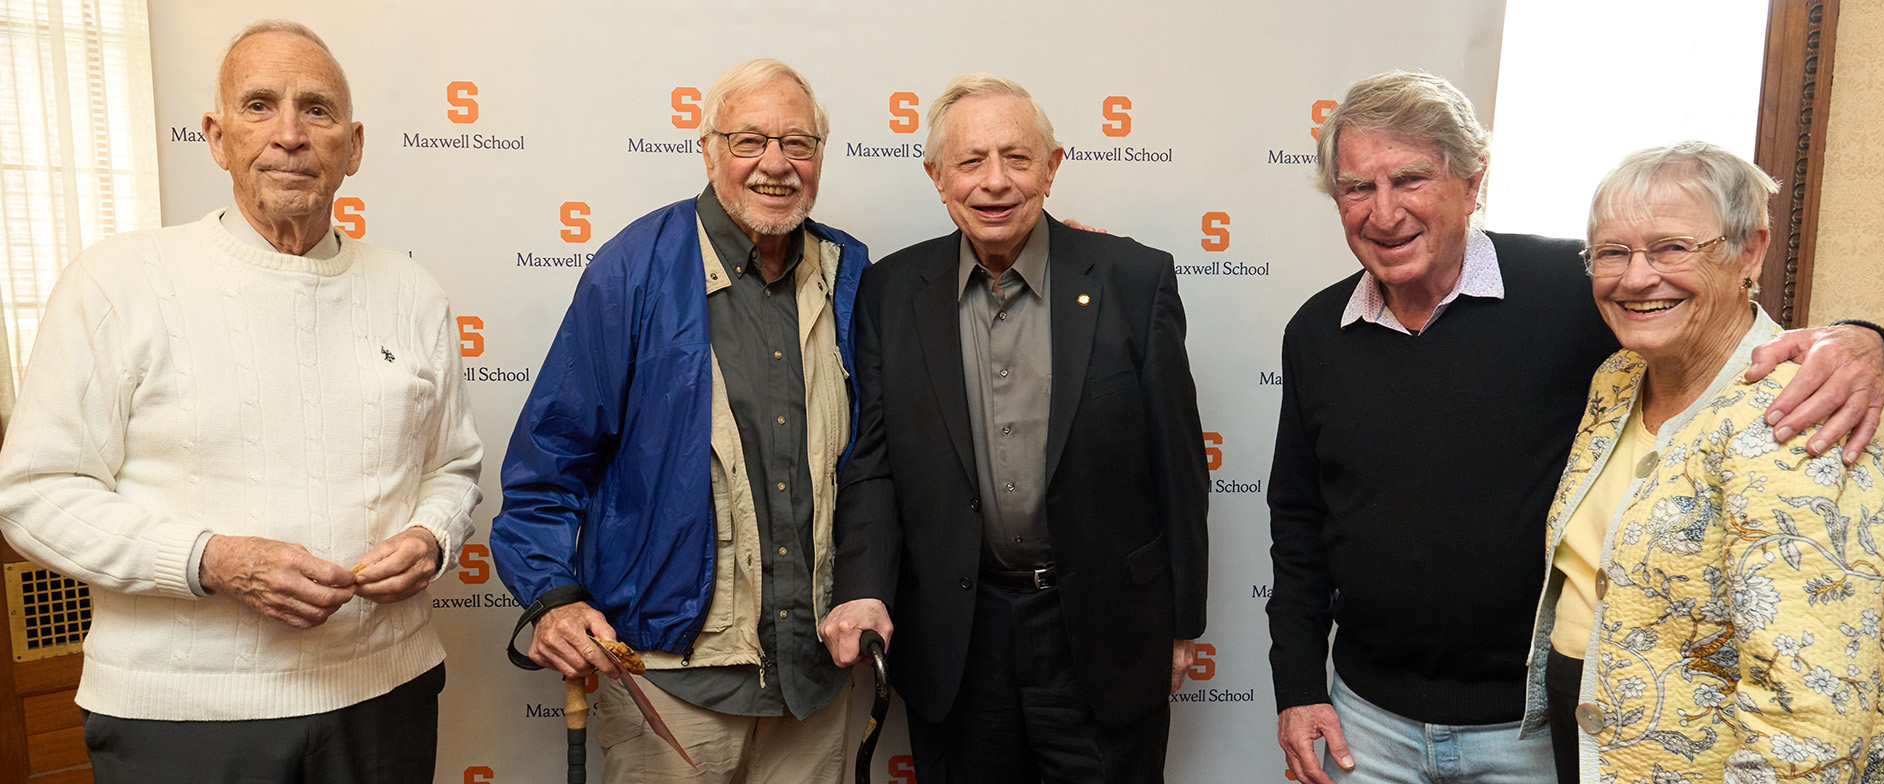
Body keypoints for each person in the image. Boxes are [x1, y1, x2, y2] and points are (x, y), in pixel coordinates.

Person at [1266, 71, 1884, 784]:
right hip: (1366, 720)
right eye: (1358, 187)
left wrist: (1870, 343)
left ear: (1472, 184)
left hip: (1539, 732)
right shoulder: (1316, 331)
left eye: (1411, 179)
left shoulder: (1586, 291)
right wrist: (1299, 684)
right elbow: (1298, 517)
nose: (1384, 213)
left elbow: (1725, 340)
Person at [0, 19, 483, 783]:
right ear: (217, 137)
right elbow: (35, 495)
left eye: (316, 110)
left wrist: (432, 536)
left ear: (354, 146)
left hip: (386, 697)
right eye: (260, 106)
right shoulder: (117, 282)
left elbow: (451, 468)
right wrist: (214, 560)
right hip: (183, 720)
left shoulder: (412, 293)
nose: (290, 134)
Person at [818, 73, 1208, 784]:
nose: (994, 181)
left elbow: (1177, 465)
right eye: (970, 161)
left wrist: (1183, 625)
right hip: (957, 638)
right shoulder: (890, 292)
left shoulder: (1133, 279)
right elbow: (873, 462)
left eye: (1017, 158)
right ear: (938, 177)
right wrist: (864, 585)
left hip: (1105, 632)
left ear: (1051, 168)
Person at [489, 59, 870, 783]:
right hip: (669, 685)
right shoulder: (633, 269)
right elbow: (548, 466)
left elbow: (878, 463)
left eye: (798, 142)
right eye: (749, 140)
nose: (776, 164)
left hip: (815, 682)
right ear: (708, 150)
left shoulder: (847, 271)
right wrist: (553, 597)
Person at [1525, 141, 1884, 782]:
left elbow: (1811, 712)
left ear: (1750, 251)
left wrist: (1871, 343)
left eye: (1671, 248)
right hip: (1588, 735)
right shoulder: (1618, 377)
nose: (1635, 278)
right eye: (1612, 252)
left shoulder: (1798, 416)